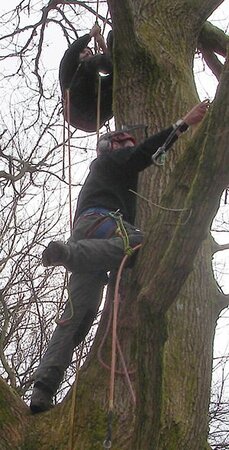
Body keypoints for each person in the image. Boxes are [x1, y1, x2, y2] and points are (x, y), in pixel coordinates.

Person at [30, 100, 209, 413]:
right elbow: (143, 155)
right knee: (139, 242)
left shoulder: (110, 175)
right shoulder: (109, 161)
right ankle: (69, 254)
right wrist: (183, 123)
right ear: (110, 146)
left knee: (78, 316)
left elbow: (144, 156)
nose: (130, 145)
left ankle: (43, 388)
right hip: (101, 227)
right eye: (124, 141)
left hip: (89, 237)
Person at [59, 23, 113, 132]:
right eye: (83, 52)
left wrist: (103, 47)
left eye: (90, 52)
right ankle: (112, 61)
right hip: (77, 109)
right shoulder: (68, 71)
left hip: (94, 116)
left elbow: (112, 78)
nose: (87, 53)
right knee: (89, 65)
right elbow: (72, 51)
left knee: (115, 84)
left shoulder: (92, 82)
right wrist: (90, 35)